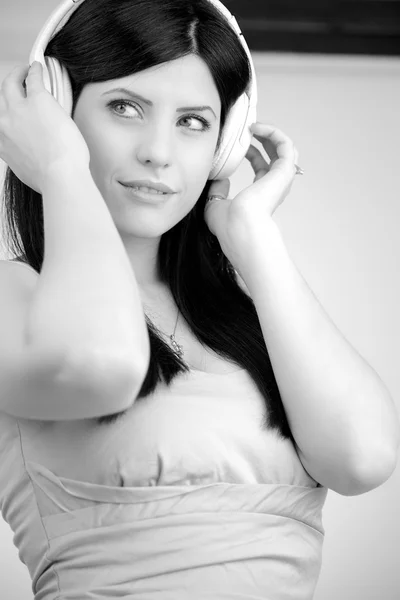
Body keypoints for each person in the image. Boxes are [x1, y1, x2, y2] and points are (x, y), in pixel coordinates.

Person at [0, 0, 398, 598]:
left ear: (224, 143)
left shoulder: (251, 316)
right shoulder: (15, 295)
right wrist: (59, 166)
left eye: (193, 121)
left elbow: (362, 459)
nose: (159, 151)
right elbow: (101, 365)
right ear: (57, 112)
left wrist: (253, 239)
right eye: (125, 107)